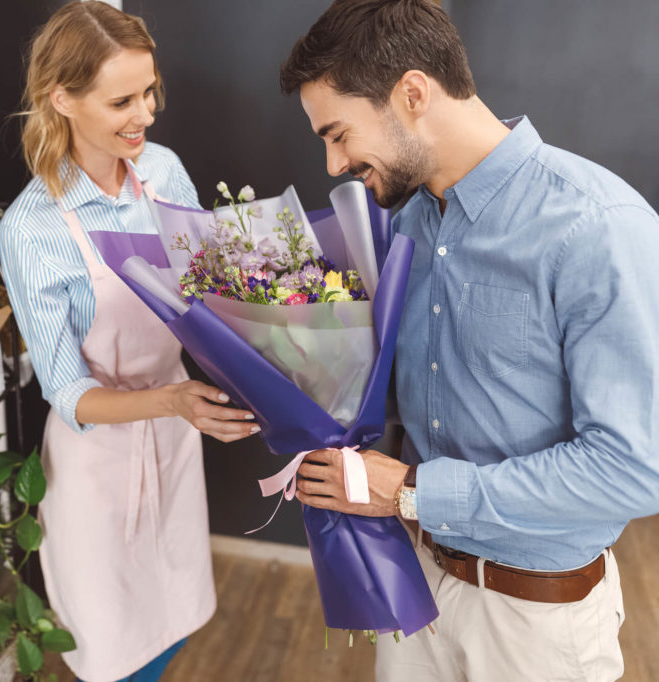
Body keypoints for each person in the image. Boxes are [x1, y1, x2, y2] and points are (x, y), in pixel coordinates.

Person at [278, 1, 659, 680]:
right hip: (416, 586)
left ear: (413, 93)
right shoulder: (405, 224)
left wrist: (414, 493)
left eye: (339, 133)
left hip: (534, 628)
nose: (334, 162)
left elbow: (633, 469)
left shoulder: (598, 227)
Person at [0, 3, 257, 681]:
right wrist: (173, 400)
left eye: (149, 92)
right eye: (121, 100)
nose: (144, 113)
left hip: (175, 436)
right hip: (97, 466)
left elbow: (206, 291)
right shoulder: (33, 228)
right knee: (112, 652)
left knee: (174, 618)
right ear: (62, 99)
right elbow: (67, 392)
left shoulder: (163, 172)